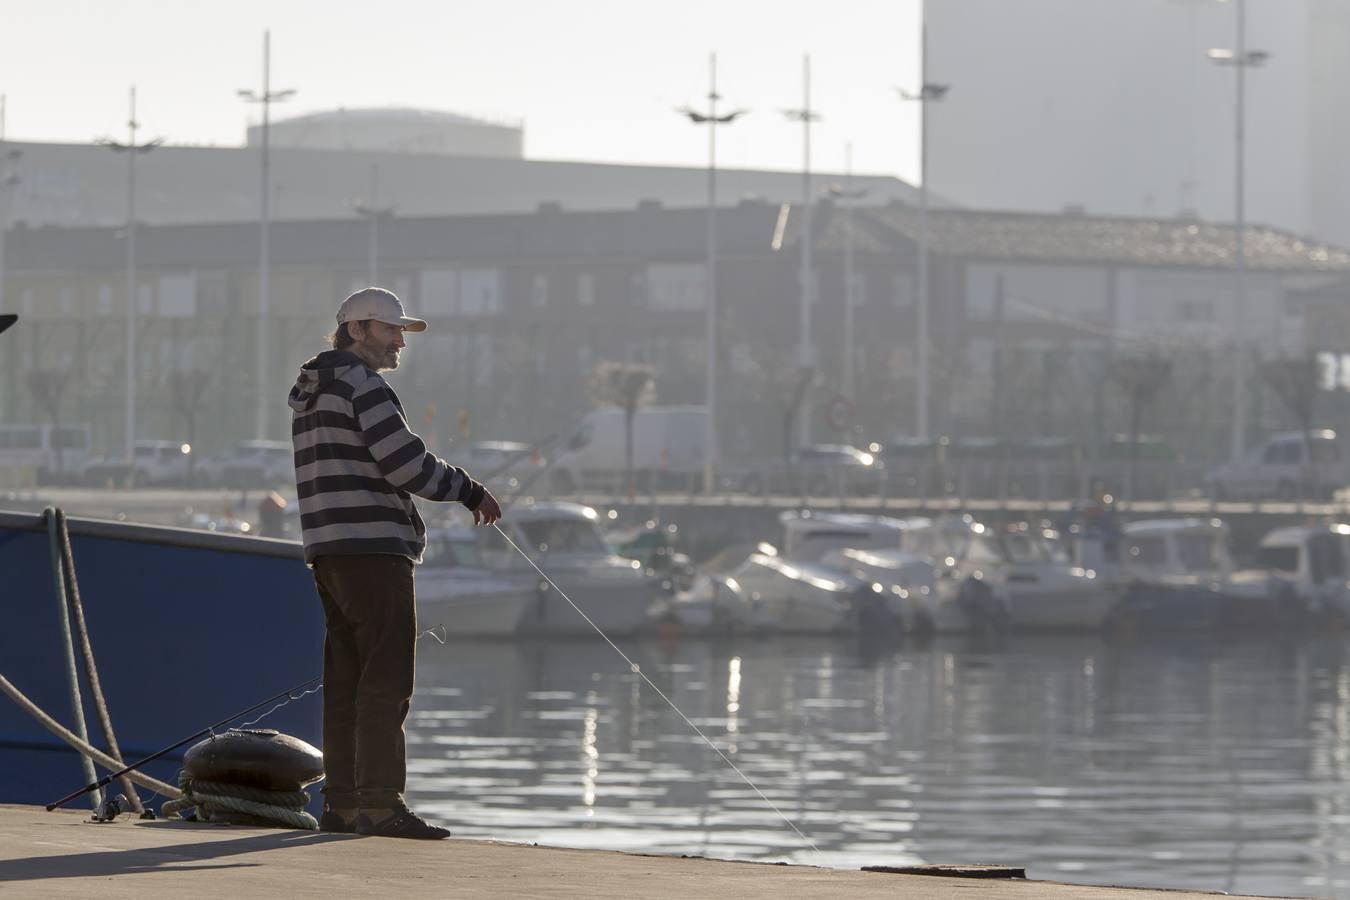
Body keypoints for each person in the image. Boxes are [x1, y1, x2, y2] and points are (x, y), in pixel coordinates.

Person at [288, 286, 502, 840]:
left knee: (345, 681)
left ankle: (339, 805)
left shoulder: (312, 393)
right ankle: (381, 806)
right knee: (385, 681)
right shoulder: (365, 387)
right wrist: (470, 490)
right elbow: (407, 465)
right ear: (356, 331)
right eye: (389, 330)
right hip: (374, 549)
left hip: (327, 549)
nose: (399, 342)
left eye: (401, 331)